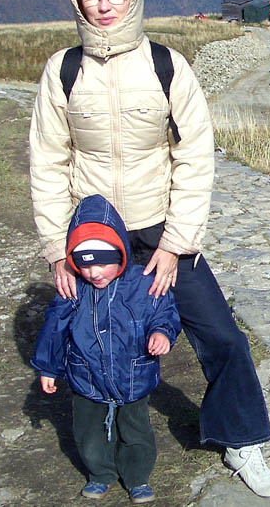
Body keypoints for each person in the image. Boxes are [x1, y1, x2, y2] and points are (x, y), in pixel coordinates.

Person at [29, 0, 270, 497]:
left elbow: (195, 153)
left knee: (221, 336)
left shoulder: (168, 64)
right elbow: (47, 160)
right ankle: (105, 439)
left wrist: (175, 244)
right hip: (93, 236)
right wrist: (56, 251)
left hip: (159, 229)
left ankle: (241, 441)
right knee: (91, 339)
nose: (104, 5)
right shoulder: (63, 70)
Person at [32, 194, 180, 503]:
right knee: (88, 433)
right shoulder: (73, 289)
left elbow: (164, 312)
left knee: (136, 430)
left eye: (102, 263)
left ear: (121, 254)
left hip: (133, 374)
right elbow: (54, 329)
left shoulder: (143, 283)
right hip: (85, 376)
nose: (94, 273)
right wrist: (48, 367)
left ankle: (137, 477)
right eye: (84, 265)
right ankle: (100, 473)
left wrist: (162, 333)